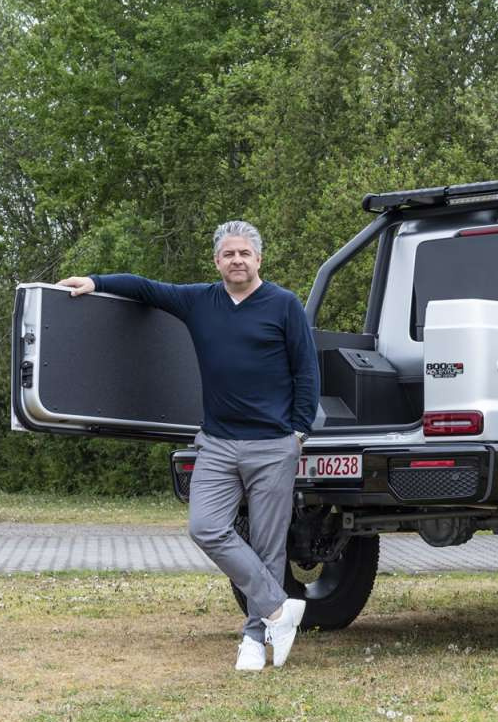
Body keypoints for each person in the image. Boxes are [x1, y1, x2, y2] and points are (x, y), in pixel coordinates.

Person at [58, 220, 320, 671]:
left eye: (244, 253)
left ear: (259, 259)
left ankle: (254, 640)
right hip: (216, 444)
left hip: (272, 446)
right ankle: (279, 609)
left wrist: (298, 432)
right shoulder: (199, 300)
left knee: (268, 548)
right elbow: (145, 288)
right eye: (228, 254)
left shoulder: (284, 305)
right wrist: (96, 282)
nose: (237, 260)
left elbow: (306, 370)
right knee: (205, 527)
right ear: (217, 261)